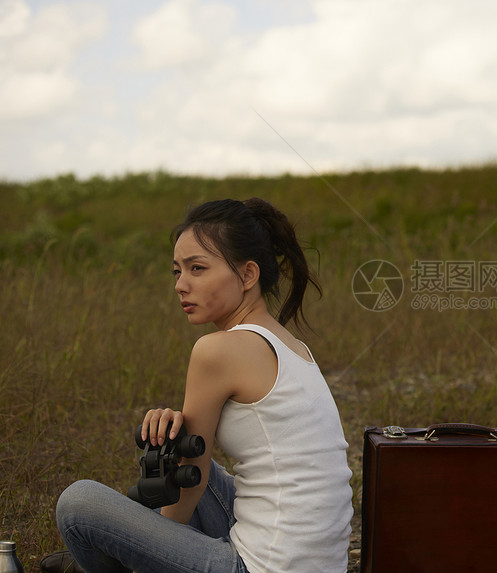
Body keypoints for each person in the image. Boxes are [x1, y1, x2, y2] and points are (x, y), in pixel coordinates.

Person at [46, 198, 354, 573]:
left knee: (78, 504)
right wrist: (177, 428)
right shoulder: (292, 346)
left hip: (264, 567)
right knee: (175, 453)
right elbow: (195, 460)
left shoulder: (217, 350)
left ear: (247, 275)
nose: (181, 285)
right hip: (317, 564)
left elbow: (189, 484)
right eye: (177, 271)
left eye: (197, 269)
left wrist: (152, 546)